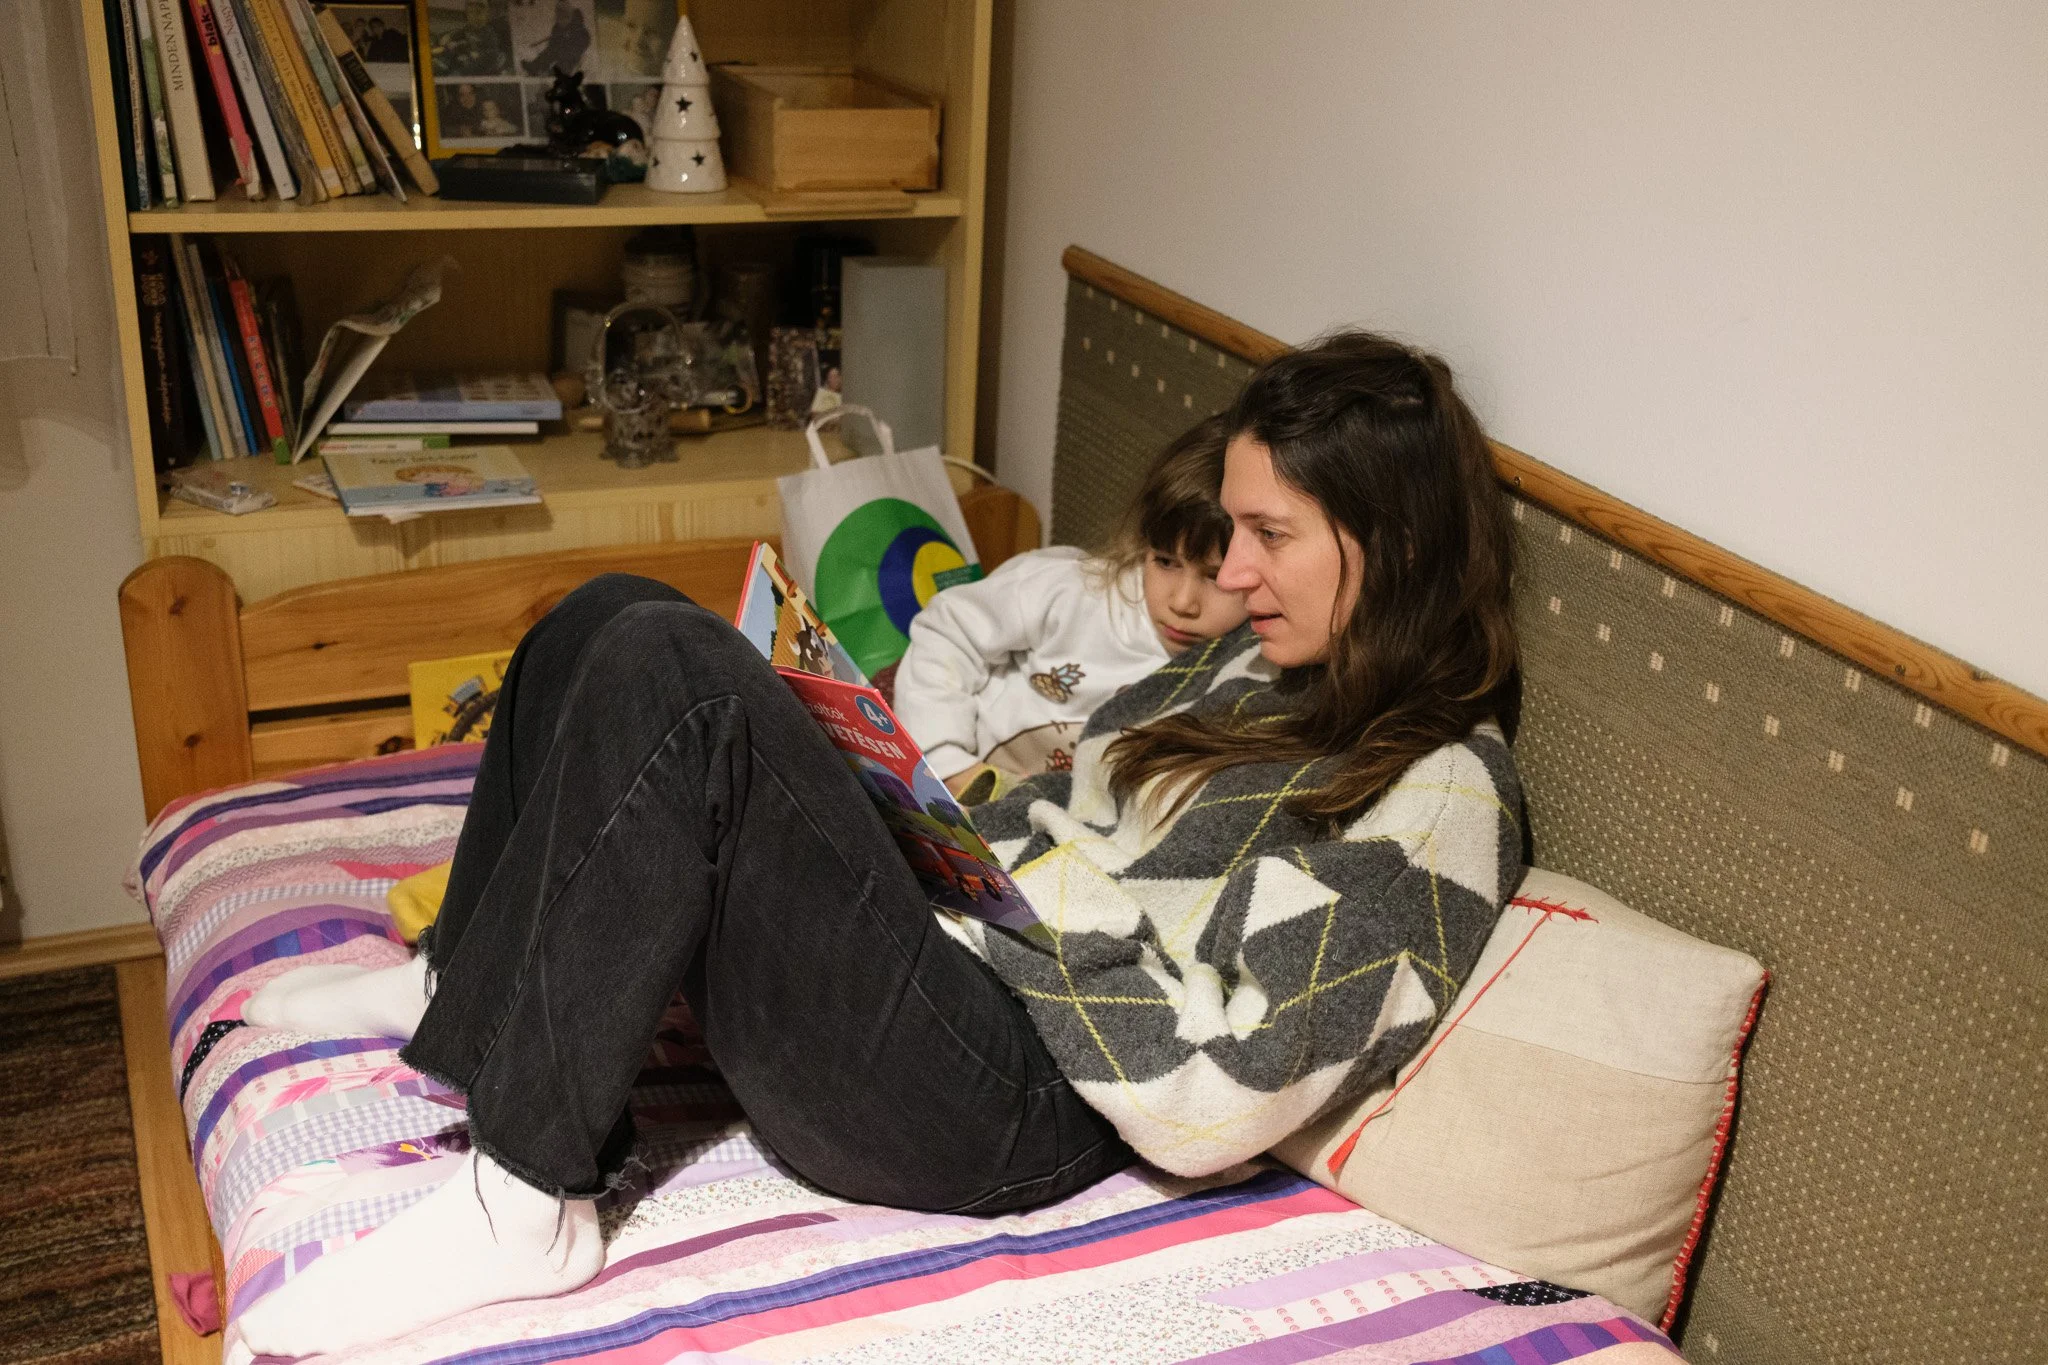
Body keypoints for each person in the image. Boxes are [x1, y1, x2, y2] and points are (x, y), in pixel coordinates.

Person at [230, 331, 1526, 1361]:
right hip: (975, 969)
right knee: (609, 613)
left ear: (1396, 542)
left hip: (1027, 1103)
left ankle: (525, 1200)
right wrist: (910, 812)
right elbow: (1078, 811)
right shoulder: (1257, 668)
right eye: (1233, 531)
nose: (1231, 574)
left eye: (1269, 536)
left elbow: (1218, 1095)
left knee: (681, 676)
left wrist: (1017, 902)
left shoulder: (1440, 795)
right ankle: (470, 981)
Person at [893, 415, 1246, 791]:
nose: (1183, 603)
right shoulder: (1073, 589)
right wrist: (947, 763)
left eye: (1215, 576)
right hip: (964, 778)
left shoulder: (1247, 669)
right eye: (1165, 562)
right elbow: (948, 630)